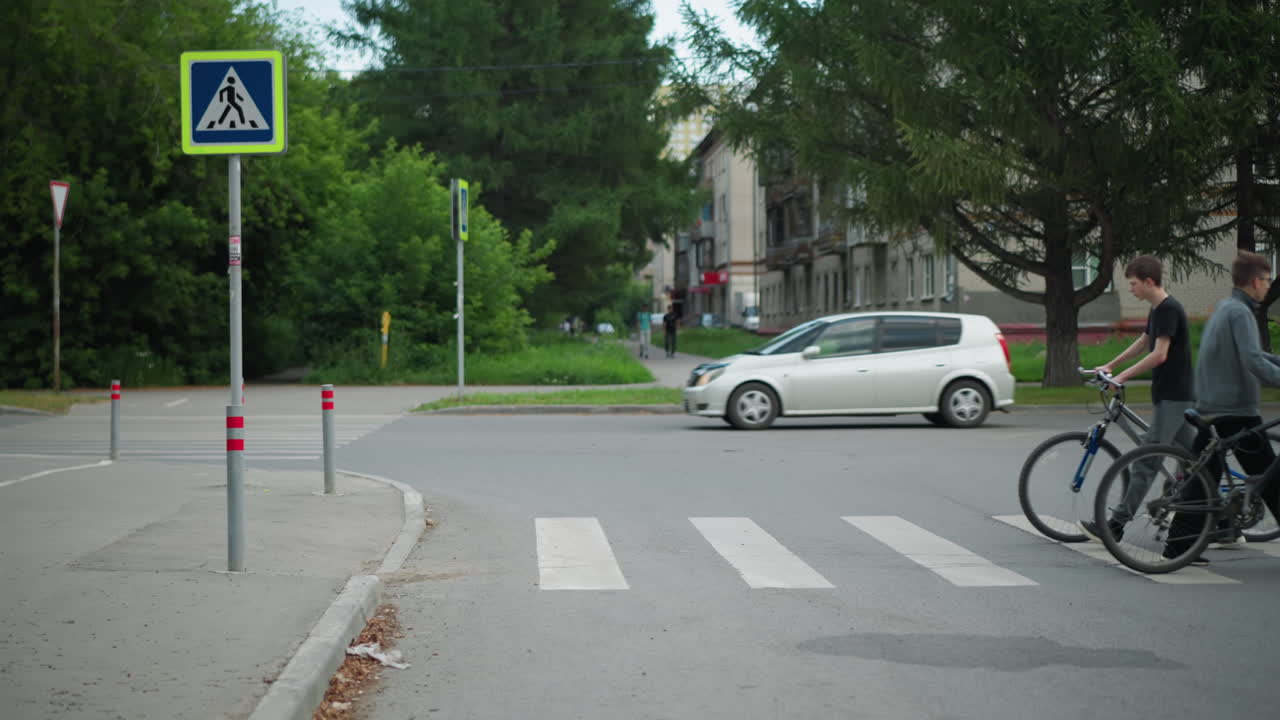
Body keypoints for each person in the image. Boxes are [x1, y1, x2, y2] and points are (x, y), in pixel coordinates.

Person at [1165, 250, 1280, 564]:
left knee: (1201, 481)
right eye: (1266, 280)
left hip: (1212, 406)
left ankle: (1179, 546)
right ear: (1254, 281)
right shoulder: (1241, 313)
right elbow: (1253, 361)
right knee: (1271, 479)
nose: (1268, 285)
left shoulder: (1226, 307)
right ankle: (1197, 538)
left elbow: (1257, 355)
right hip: (1235, 410)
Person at [1081, 255, 1195, 543]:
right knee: (1197, 458)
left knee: (1147, 460)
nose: (1130, 289)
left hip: (1174, 397)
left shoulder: (1169, 309)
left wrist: (1121, 377)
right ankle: (1224, 519)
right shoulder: (1158, 309)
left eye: (1133, 284)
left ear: (1149, 281)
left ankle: (1116, 525)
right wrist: (1111, 365)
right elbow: (1144, 342)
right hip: (1170, 396)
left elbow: (1159, 354)